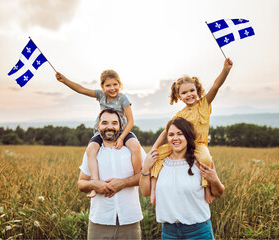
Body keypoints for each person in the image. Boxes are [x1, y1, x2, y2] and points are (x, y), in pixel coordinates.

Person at [150, 58, 233, 205]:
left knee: (206, 158)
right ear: (179, 96)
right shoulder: (180, 115)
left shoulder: (204, 104)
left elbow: (215, 86)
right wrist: (154, 148)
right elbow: (166, 132)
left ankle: (206, 187)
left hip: (198, 144)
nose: (189, 94)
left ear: (197, 91)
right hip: (182, 144)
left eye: (192, 91)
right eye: (184, 93)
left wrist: (225, 70)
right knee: (157, 156)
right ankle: (153, 190)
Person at [56, 70, 142, 198]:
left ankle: (136, 177)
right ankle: (95, 183)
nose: (112, 88)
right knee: (91, 149)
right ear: (102, 87)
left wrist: (122, 137)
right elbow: (81, 89)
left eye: (115, 84)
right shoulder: (101, 95)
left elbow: (131, 121)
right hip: (102, 132)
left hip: (121, 130)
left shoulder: (122, 98)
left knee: (135, 145)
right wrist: (65, 81)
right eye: (108, 85)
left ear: (120, 84)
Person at [140, 117, 225, 239]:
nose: (175, 138)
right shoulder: (159, 163)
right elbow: (145, 192)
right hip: (169, 233)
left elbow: (218, 192)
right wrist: (145, 168)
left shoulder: (201, 162)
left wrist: (214, 179)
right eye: (171, 134)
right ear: (167, 138)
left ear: (188, 136)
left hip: (198, 232)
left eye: (180, 134)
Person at [78, 108, 144, 239]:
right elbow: (81, 183)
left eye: (114, 123)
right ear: (98, 126)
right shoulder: (92, 151)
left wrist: (124, 183)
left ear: (120, 126)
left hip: (130, 221)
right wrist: (93, 184)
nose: (110, 127)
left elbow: (144, 177)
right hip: (99, 221)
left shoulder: (133, 148)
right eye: (105, 123)